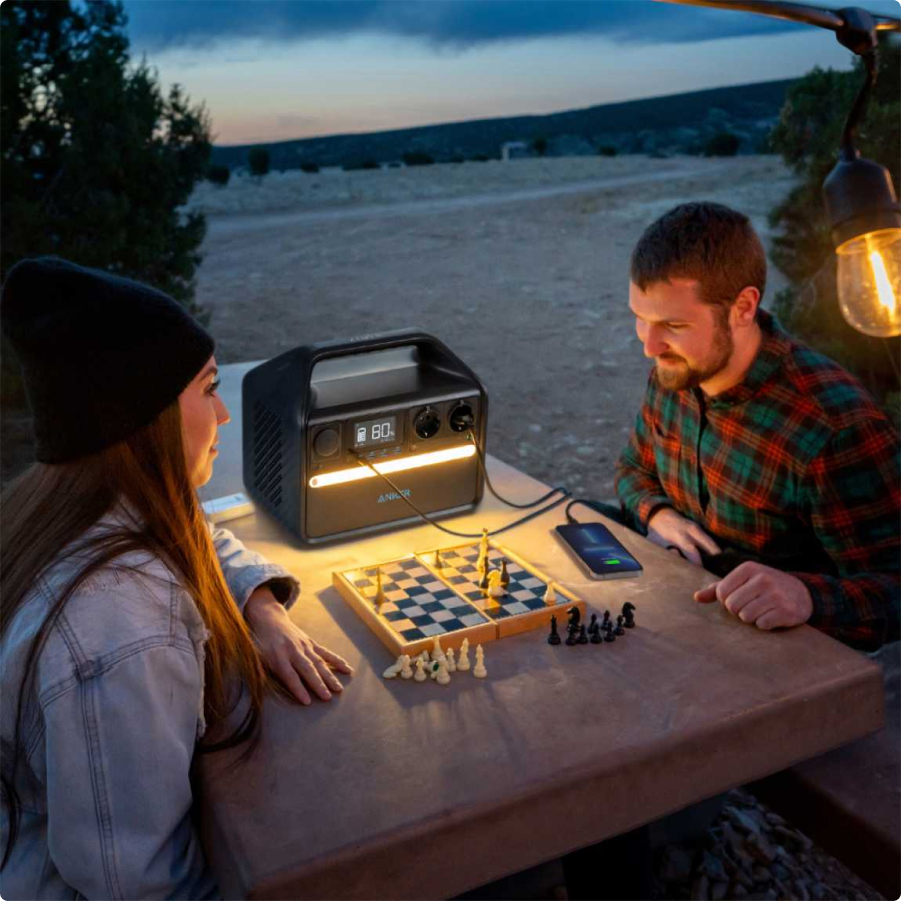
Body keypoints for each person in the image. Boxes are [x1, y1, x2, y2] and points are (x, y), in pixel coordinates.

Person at [0, 257, 353, 898]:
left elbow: (197, 534)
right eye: (207, 387)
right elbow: (140, 886)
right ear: (146, 419)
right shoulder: (119, 630)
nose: (221, 415)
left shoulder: (71, 503)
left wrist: (259, 605)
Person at [615, 201, 900, 651]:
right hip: (686, 620)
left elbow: (893, 589)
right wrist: (658, 513)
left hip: (790, 656)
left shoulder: (833, 428)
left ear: (743, 307)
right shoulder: (675, 371)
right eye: (640, 318)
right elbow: (632, 470)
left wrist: (807, 597)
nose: (650, 346)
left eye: (673, 324)